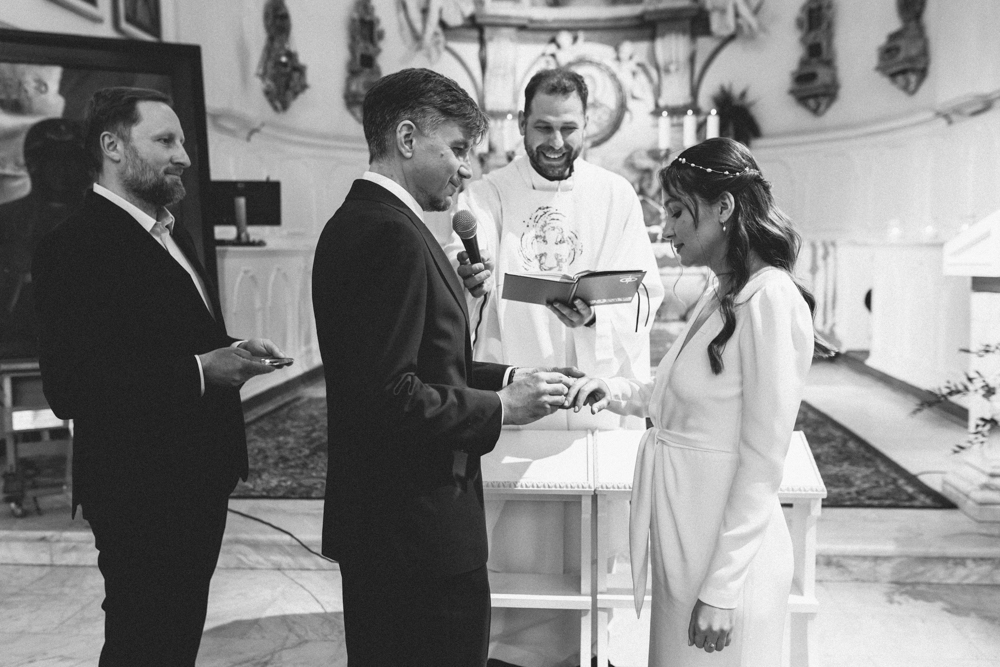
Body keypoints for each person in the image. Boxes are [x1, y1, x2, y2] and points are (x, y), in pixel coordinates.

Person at [312, 68, 578, 667]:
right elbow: (390, 396)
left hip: (395, 525)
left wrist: (506, 378)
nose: (466, 169)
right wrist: (501, 409)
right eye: (457, 149)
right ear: (407, 138)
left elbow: (416, 362)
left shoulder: (372, 222)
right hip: (414, 531)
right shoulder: (389, 235)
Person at [32, 87, 286, 666]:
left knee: (175, 639)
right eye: (166, 141)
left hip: (199, 478)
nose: (184, 157)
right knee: (142, 644)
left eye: (183, 142)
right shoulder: (71, 247)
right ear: (112, 146)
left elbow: (172, 338)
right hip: (139, 490)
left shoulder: (174, 233)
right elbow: (70, 387)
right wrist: (201, 370)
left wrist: (232, 349)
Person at [566, 137, 816, 667]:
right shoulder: (721, 292)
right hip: (685, 534)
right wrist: (611, 390)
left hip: (727, 557)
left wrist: (722, 589)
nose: (666, 229)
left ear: (723, 207)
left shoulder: (771, 299)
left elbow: (763, 460)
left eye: (678, 212)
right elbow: (677, 397)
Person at [450, 67, 664, 667]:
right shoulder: (487, 194)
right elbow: (463, 273)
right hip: (519, 397)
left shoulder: (615, 195)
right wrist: (472, 281)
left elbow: (646, 294)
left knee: (591, 544)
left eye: (568, 128)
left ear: (586, 126)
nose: (555, 141)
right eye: (543, 127)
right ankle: (510, 650)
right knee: (516, 539)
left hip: (592, 402)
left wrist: (596, 317)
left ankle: (591, 647)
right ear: (522, 123)